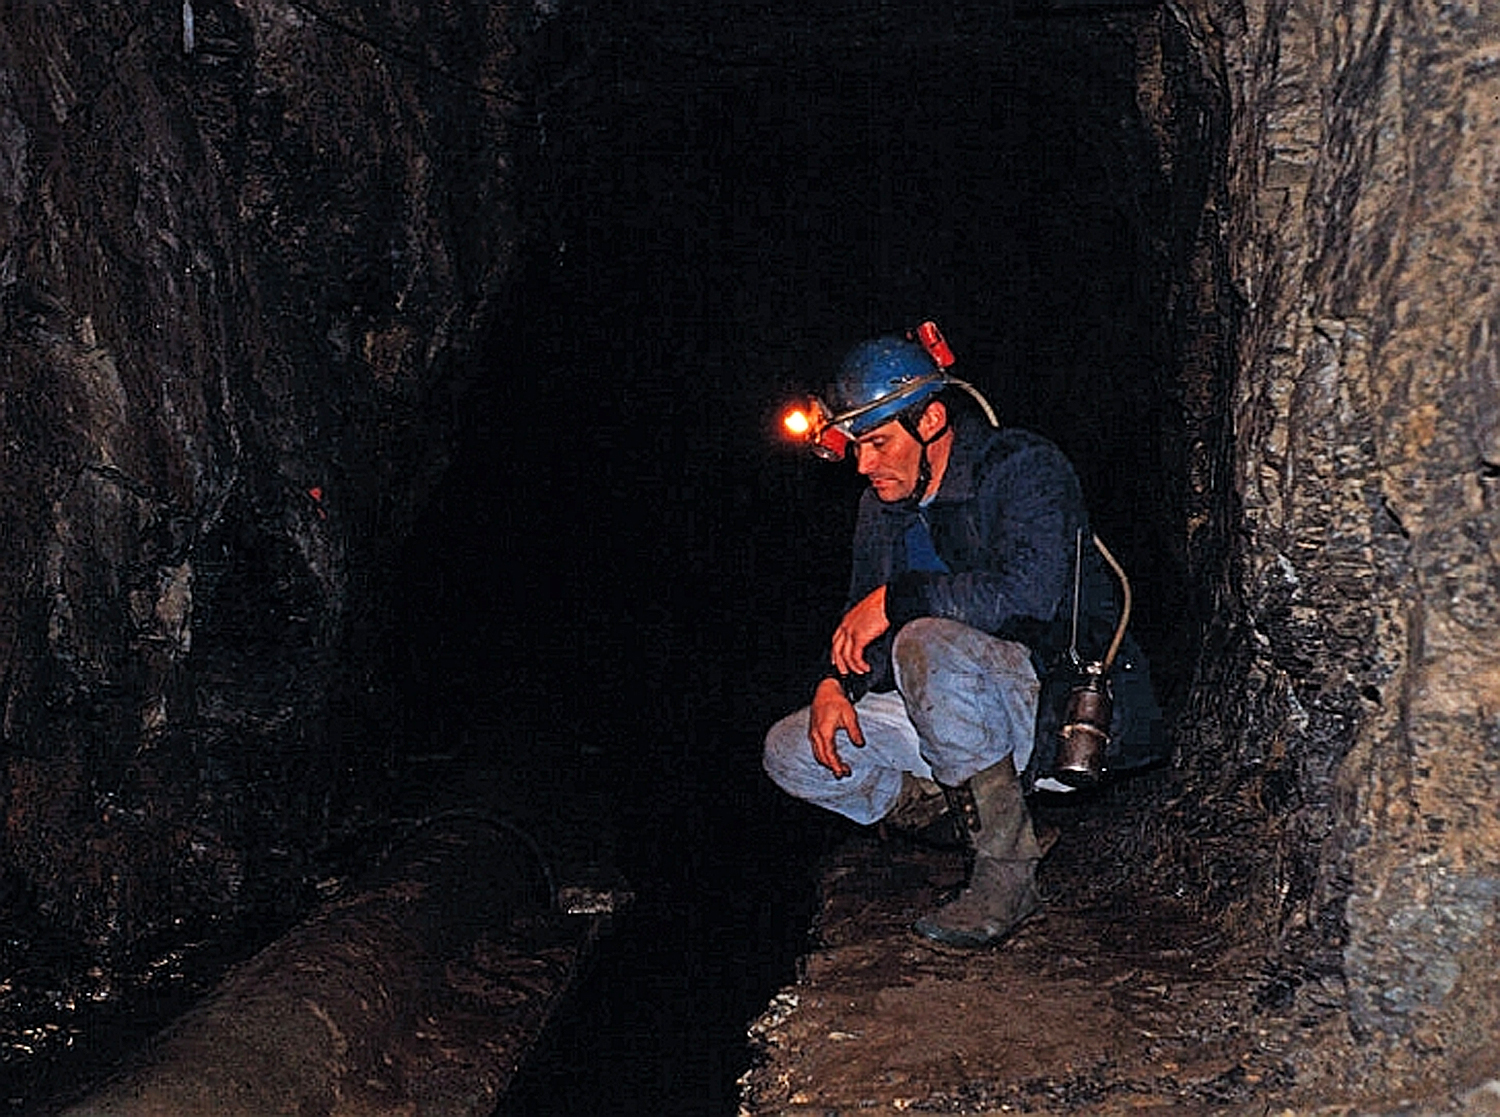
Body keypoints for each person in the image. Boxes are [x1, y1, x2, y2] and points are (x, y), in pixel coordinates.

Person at [763, 325, 1162, 948]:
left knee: (924, 640)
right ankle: (990, 822)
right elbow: (859, 616)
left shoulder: (1024, 468)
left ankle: (1006, 874)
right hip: (948, 700)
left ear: (930, 421)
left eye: (877, 443)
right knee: (794, 750)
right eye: (856, 447)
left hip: (1044, 699)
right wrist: (834, 682)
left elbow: (1028, 598)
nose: (864, 466)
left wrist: (897, 602)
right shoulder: (883, 506)